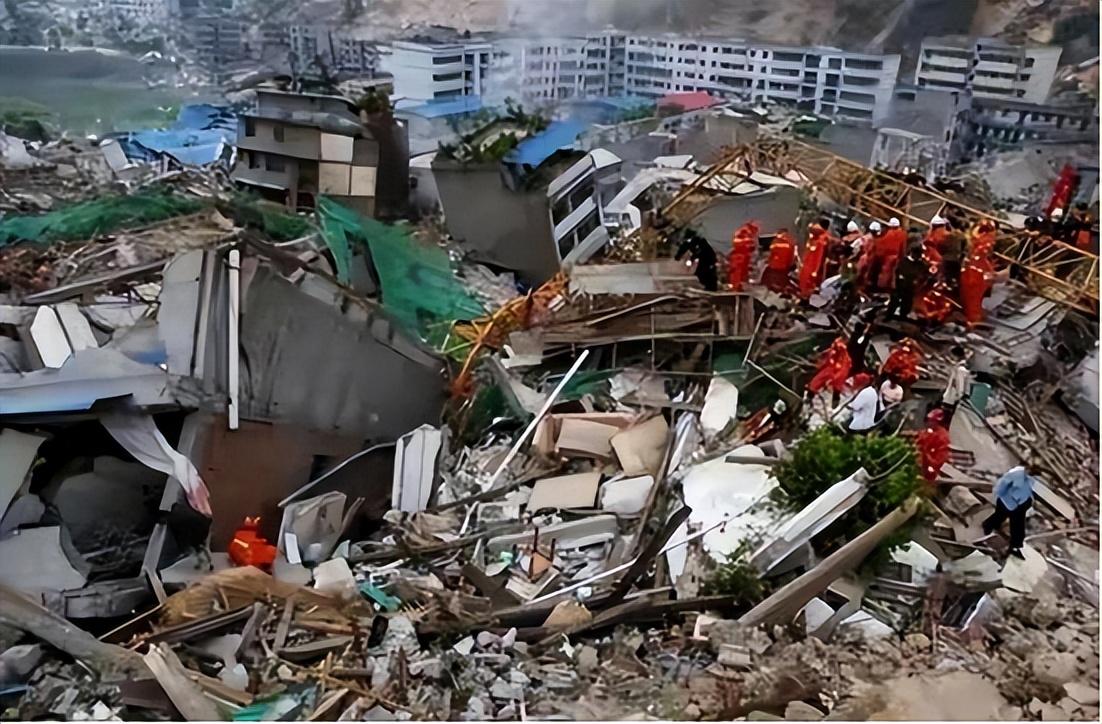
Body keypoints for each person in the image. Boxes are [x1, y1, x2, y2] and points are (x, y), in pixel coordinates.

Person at [979, 464, 1039, 559]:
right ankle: (988, 525)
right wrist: (997, 495)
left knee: (1018, 526)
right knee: (999, 516)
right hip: (1007, 500)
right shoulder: (1016, 474)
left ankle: (1015, 546)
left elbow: (1029, 490)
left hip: (1020, 504)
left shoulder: (1031, 479)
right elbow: (1002, 484)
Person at [886, 242, 928, 320]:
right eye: (916, 253)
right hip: (899, 286)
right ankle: (888, 317)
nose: (917, 256)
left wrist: (918, 283)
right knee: (894, 302)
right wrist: (894, 283)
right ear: (912, 252)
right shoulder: (903, 261)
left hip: (910, 288)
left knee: (906, 304)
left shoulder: (921, 264)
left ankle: (902, 317)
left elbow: (924, 276)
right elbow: (895, 272)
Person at [807, 337, 852, 406]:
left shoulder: (843, 355)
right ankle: (809, 396)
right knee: (817, 381)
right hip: (832, 367)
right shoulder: (833, 349)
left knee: (837, 383)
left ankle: (835, 399)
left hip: (839, 368)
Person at [799, 218, 832, 299]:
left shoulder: (815, 237)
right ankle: (806, 297)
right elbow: (820, 256)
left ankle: (804, 296)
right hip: (813, 266)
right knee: (810, 283)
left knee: (805, 282)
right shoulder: (823, 238)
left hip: (808, 264)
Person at [916, 408, 951, 483]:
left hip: (932, 472)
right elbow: (920, 439)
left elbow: (939, 461)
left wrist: (926, 454)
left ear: (937, 422)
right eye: (928, 420)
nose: (929, 423)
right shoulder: (928, 431)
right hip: (922, 466)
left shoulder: (943, 437)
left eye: (931, 421)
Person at [761, 229, 798, 295]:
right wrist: (790, 264)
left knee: (772, 277)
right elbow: (793, 255)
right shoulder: (791, 241)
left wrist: (768, 261)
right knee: (783, 279)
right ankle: (783, 290)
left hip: (775, 264)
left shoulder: (776, 241)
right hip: (784, 265)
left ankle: (775, 289)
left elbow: (772, 253)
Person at [727, 221, 758, 290]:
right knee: (737, 271)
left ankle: (740, 285)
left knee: (743, 271)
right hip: (739, 255)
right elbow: (739, 242)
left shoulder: (747, 233)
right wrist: (749, 244)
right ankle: (736, 287)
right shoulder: (744, 232)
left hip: (743, 255)